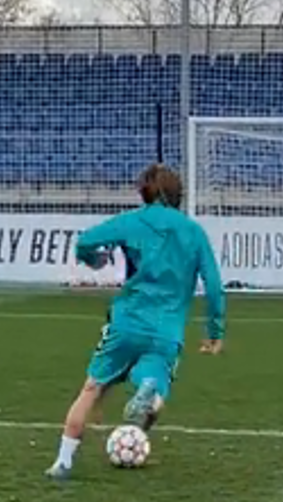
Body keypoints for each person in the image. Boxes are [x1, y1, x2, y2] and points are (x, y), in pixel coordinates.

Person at [46, 164, 226, 480]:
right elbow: (213, 284)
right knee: (155, 386)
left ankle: (63, 462)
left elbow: (85, 241)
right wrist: (214, 330)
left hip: (127, 322)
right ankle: (147, 394)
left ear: (145, 191)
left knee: (91, 388)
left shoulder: (132, 221)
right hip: (167, 331)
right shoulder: (193, 231)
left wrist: (94, 259)